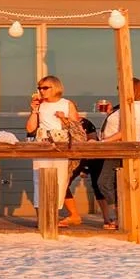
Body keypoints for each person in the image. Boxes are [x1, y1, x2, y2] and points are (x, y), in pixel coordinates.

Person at [27, 75, 88, 227]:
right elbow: (30, 128)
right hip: (42, 144)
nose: (42, 91)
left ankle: (53, 216)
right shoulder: (40, 105)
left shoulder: (66, 104)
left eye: (45, 88)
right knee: (38, 180)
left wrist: (63, 119)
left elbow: (77, 129)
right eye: (40, 88)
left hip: (60, 145)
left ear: (55, 88)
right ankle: (41, 218)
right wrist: (34, 111)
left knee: (60, 181)